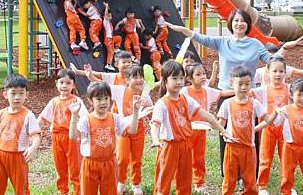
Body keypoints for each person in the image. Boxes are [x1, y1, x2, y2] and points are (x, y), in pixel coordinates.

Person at [167, 8, 303, 173]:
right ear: (231, 23)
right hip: (226, 95)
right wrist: (182, 30)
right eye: (236, 20)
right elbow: (200, 38)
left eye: (243, 21)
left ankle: (250, 171)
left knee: (250, 134)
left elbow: (271, 61)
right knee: (226, 134)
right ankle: (229, 171)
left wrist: (285, 48)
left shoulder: (255, 44)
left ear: (248, 24)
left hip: (248, 96)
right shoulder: (222, 42)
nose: (239, 24)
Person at [150, 60, 230, 195]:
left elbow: (206, 115)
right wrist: (155, 140)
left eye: (181, 78)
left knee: (185, 180)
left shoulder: (186, 99)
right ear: (164, 80)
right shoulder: (162, 103)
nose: (178, 82)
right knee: (164, 179)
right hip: (169, 146)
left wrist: (222, 130)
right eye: (174, 78)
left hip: (185, 145)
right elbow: (155, 124)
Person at [69, 82, 142, 195]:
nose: (103, 102)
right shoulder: (86, 120)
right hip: (90, 164)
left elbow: (132, 131)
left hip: (109, 163)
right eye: (98, 99)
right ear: (90, 100)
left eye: (106, 98)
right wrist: (74, 115)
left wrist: (136, 111)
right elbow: (73, 136)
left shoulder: (115, 118)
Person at [217, 66, 279, 195]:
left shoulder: (254, 103)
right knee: (229, 178)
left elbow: (267, 120)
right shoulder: (227, 104)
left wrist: (277, 112)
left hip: (249, 148)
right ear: (232, 84)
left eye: (247, 84)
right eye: (240, 84)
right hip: (231, 147)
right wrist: (225, 134)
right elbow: (220, 125)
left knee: (250, 179)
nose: (244, 87)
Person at [182, 62, 232, 193]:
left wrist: (239, 90)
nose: (203, 76)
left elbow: (222, 93)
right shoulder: (184, 91)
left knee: (199, 157)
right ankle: (184, 181)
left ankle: (199, 183)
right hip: (186, 131)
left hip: (201, 130)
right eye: (198, 74)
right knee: (185, 157)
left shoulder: (207, 91)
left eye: (204, 73)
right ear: (189, 78)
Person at [38, 69, 87, 195]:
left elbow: (86, 119)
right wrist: (32, 130)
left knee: (75, 166)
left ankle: (79, 191)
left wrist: (83, 135)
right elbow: (42, 118)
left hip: (72, 137)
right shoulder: (54, 101)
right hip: (56, 137)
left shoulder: (77, 101)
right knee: (60, 167)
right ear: (56, 83)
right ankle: (62, 191)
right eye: (61, 82)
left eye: (68, 83)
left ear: (74, 85)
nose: (64, 86)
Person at [250, 58, 293, 195]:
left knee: (286, 159)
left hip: (285, 130)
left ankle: (287, 187)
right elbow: (248, 94)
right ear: (267, 72)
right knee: (265, 158)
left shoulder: (290, 88)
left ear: (285, 73)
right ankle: (262, 186)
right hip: (267, 129)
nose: (278, 74)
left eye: (281, 71)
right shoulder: (263, 89)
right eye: (274, 71)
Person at [111, 65, 154, 195]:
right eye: (135, 77)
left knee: (137, 159)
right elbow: (103, 88)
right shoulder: (120, 91)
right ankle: (121, 182)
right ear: (127, 80)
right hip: (124, 131)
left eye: (141, 76)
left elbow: (152, 115)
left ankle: (136, 184)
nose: (139, 79)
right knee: (122, 159)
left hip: (138, 131)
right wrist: (89, 75)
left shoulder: (145, 96)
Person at [103, 2, 122, 72]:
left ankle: (116, 48)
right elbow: (105, 15)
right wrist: (106, 7)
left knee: (119, 38)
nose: (109, 17)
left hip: (111, 38)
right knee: (110, 52)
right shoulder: (105, 21)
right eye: (108, 15)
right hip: (108, 39)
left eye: (110, 16)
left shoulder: (110, 23)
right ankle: (108, 64)